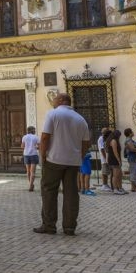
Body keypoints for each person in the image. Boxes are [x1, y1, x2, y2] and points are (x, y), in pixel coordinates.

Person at [34, 93, 90, 236]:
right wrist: (79, 156)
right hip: (73, 162)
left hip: (54, 159)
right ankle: (70, 227)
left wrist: (43, 154)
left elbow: (45, 136)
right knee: (71, 193)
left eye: (54, 99)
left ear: (60, 100)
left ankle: (49, 225)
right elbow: (86, 142)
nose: (52, 101)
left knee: (49, 191)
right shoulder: (80, 119)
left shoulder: (53, 114)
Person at [106, 130, 127, 194]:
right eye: (119, 136)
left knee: (119, 174)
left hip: (114, 159)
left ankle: (119, 188)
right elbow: (115, 152)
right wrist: (119, 160)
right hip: (114, 159)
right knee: (115, 175)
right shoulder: (113, 141)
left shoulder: (113, 140)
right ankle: (115, 189)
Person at [21, 126, 40, 192]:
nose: (35, 131)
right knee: (33, 172)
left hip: (26, 155)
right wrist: (35, 147)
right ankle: (31, 185)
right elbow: (39, 146)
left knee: (28, 171)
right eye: (34, 130)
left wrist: (27, 147)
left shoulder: (24, 137)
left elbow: (22, 146)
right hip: (34, 155)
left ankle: (31, 185)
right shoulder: (36, 137)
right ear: (32, 130)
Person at [124, 128, 136, 193]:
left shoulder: (130, 140)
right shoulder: (128, 140)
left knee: (133, 170)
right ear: (129, 133)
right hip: (132, 157)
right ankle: (133, 187)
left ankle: (134, 187)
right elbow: (132, 149)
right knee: (133, 171)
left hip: (133, 157)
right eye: (132, 131)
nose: (133, 132)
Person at [97, 127, 112, 192]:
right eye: (106, 131)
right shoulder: (101, 138)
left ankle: (106, 184)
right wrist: (106, 158)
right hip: (104, 158)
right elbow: (102, 149)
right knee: (104, 172)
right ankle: (104, 185)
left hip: (106, 157)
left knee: (106, 172)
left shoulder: (105, 138)